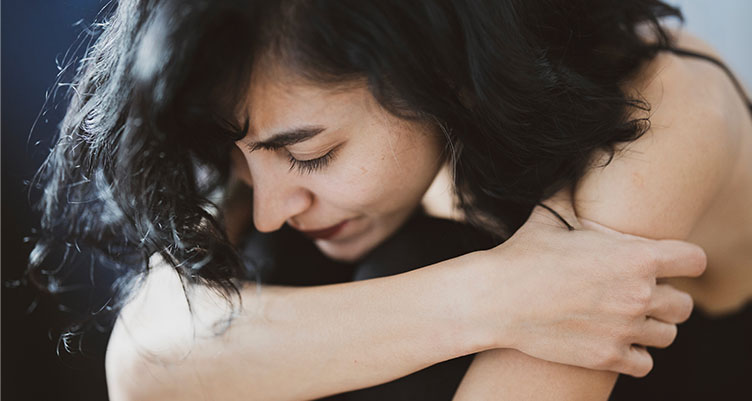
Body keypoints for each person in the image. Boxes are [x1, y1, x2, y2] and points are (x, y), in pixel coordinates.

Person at [29, 0, 750, 399]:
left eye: (312, 153)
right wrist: (494, 295)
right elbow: (145, 354)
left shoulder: (664, 105)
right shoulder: (263, 105)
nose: (274, 204)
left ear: (437, 66)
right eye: (233, 158)